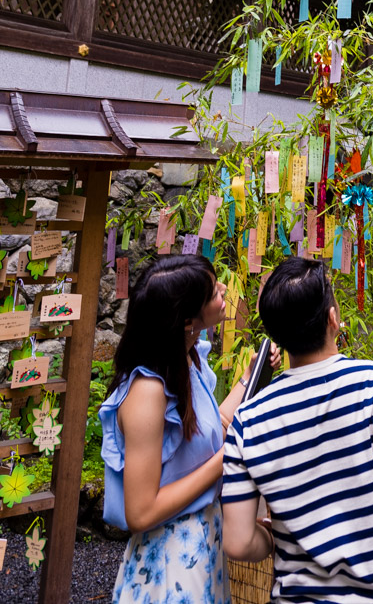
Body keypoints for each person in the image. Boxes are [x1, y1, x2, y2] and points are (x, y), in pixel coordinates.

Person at [221, 256, 373, 604]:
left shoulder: (247, 420)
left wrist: (278, 536)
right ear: (333, 319)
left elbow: (238, 542)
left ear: (275, 335)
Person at [100, 253, 278, 604]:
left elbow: (211, 432)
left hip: (201, 548)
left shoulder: (185, 358)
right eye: (213, 291)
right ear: (186, 320)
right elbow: (140, 512)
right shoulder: (147, 393)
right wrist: (226, 458)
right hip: (170, 565)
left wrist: (247, 381)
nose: (224, 288)